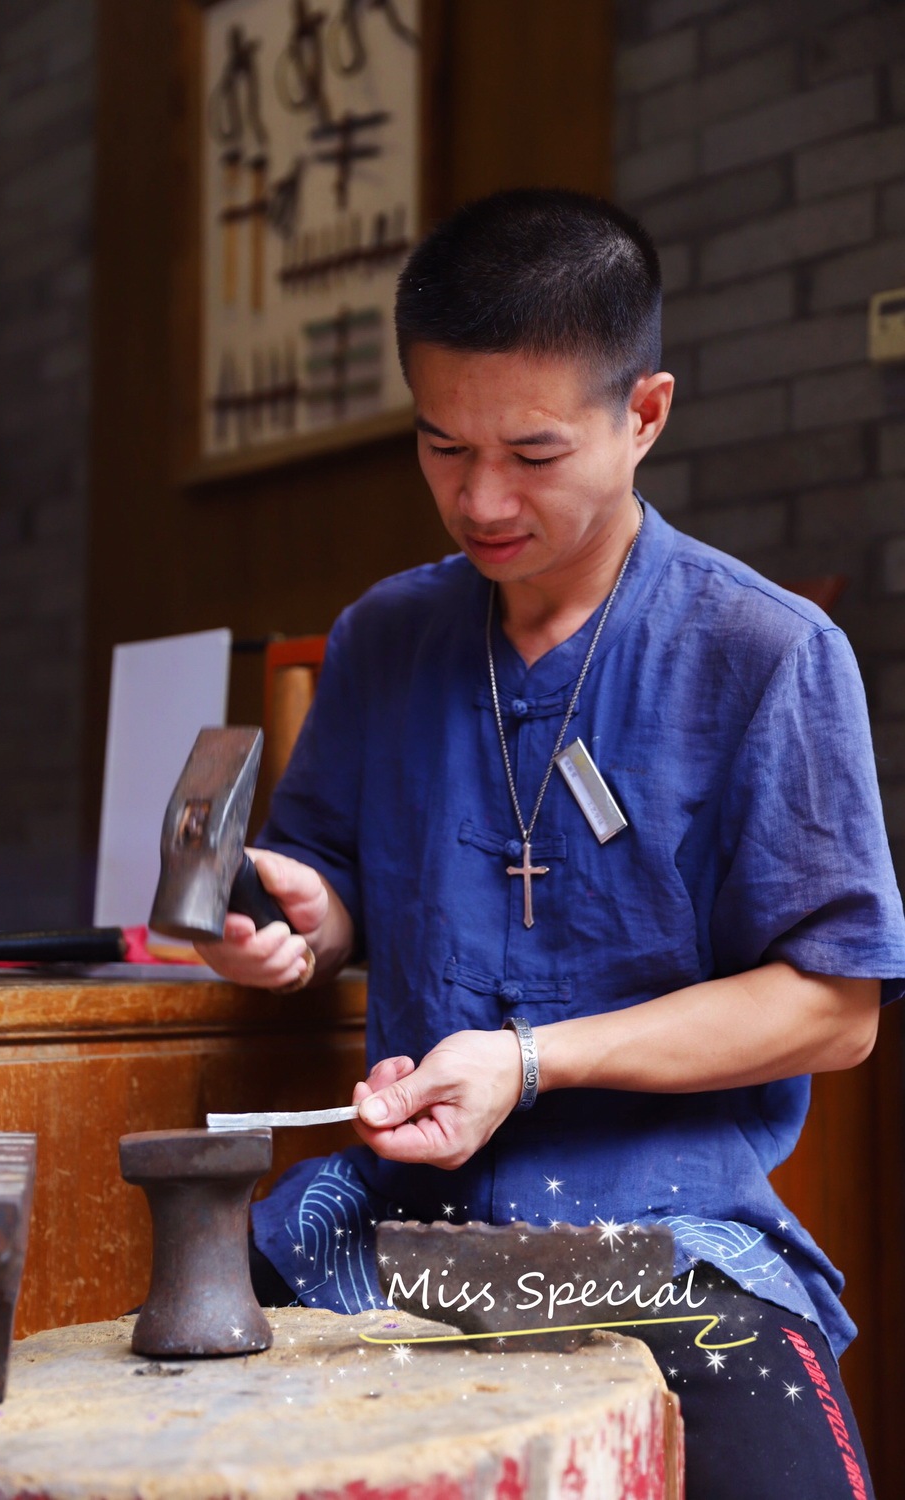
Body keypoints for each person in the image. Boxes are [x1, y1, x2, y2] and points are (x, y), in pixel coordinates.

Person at [197, 189, 905, 1498]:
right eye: (441, 446)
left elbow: (834, 1008)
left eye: (530, 453)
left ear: (644, 415)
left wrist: (532, 1063)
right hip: (399, 1230)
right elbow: (336, 885)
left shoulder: (765, 655)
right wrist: (301, 931)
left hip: (664, 1240)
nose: (478, 499)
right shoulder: (384, 638)